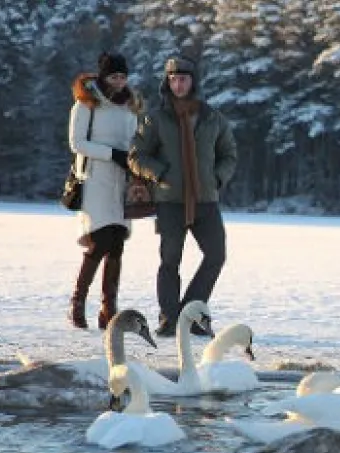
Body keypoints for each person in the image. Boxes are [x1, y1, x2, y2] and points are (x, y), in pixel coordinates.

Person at [129, 54, 238, 338]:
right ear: (167, 82)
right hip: (170, 201)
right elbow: (136, 155)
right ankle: (169, 319)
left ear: (193, 81)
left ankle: (190, 316)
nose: (178, 84)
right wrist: (161, 173)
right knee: (170, 261)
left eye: (184, 79)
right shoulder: (156, 118)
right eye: (173, 79)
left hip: (206, 201)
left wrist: (216, 177)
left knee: (216, 255)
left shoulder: (212, 117)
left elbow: (229, 154)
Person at [67, 52, 144, 330]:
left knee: (118, 244)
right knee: (99, 241)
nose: (119, 82)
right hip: (95, 178)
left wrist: (137, 161)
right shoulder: (86, 103)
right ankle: (77, 302)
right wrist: (112, 154)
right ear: (103, 77)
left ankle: (108, 308)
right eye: (114, 76)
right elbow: (77, 143)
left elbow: (135, 139)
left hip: (123, 180)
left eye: (123, 77)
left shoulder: (130, 107)